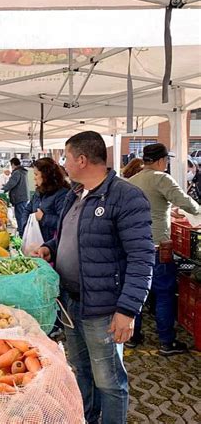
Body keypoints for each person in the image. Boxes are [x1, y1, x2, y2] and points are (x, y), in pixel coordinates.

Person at [32, 131, 154, 424]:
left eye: (66, 157)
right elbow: (66, 234)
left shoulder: (125, 197)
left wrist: (127, 310)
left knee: (110, 382)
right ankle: (86, 418)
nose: (64, 164)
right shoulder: (75, 193)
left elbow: (142, 257)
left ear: (82, 160)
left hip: (104, 309)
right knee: (82, 373)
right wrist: (50, 248)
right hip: (71, 304)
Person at [128, 143, 200, 354]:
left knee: (137, 292)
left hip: (134, 246)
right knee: (164, 293)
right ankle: (166, 342)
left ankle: (133, 337)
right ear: (161, 161)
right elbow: (186, 202)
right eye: (166, 160)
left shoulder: (133, 181)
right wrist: (197, 211)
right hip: (158, 246)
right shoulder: (161, 178)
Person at [21, 157, 69, 242]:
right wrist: (26, 226)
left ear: (46, 175)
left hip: (52, 245)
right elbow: (27, 209)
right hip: (35, 242)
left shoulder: (62, 194)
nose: (34, 178)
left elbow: (65, 223)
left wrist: (43, 218)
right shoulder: (39, 191)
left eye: (36, 174)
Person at [2, 157, 29, 236]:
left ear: (13, 164)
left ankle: (22, 233)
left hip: (19, 197)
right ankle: (22, 232)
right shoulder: (23, 171)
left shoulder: (17, 172)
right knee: (22, 215)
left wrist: (2, 190)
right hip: (23, 197)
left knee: (20, 216)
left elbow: (11, 183)